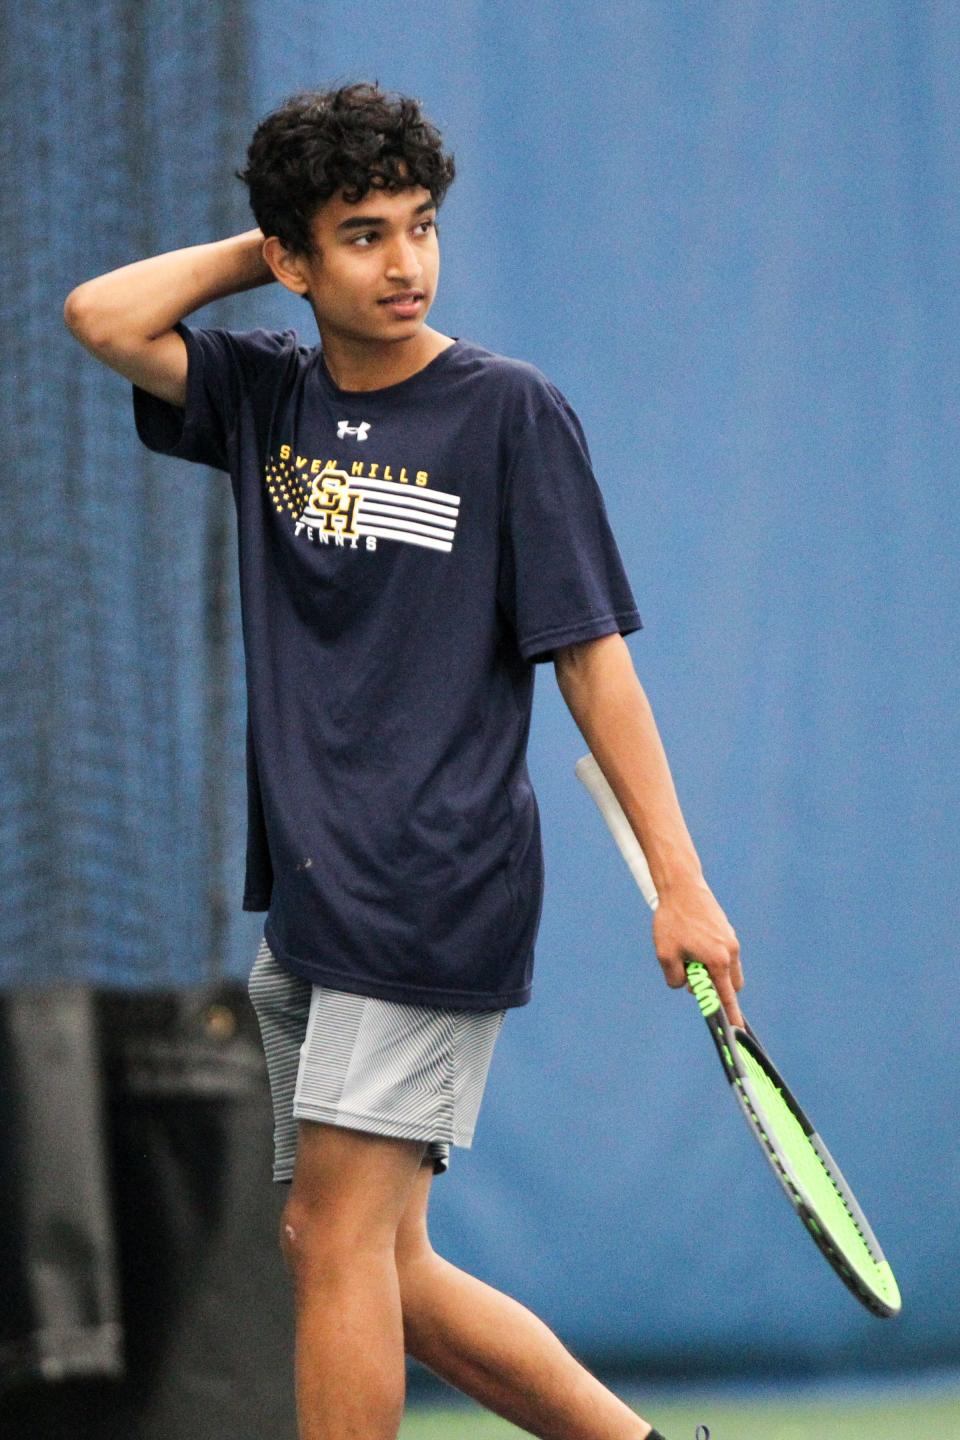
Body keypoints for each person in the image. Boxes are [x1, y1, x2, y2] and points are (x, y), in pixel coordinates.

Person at [64, 80, 740, 1440]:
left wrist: (682, 882)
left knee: (333, 1242)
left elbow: (594, 663)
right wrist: (262, 246)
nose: (406, 262)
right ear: (296, 262)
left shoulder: (510, 415)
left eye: (421, 226)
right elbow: (104, 316)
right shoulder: (265, 394)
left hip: (434, 881)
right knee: (378, 1264)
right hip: (313, 898)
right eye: (362, 235)